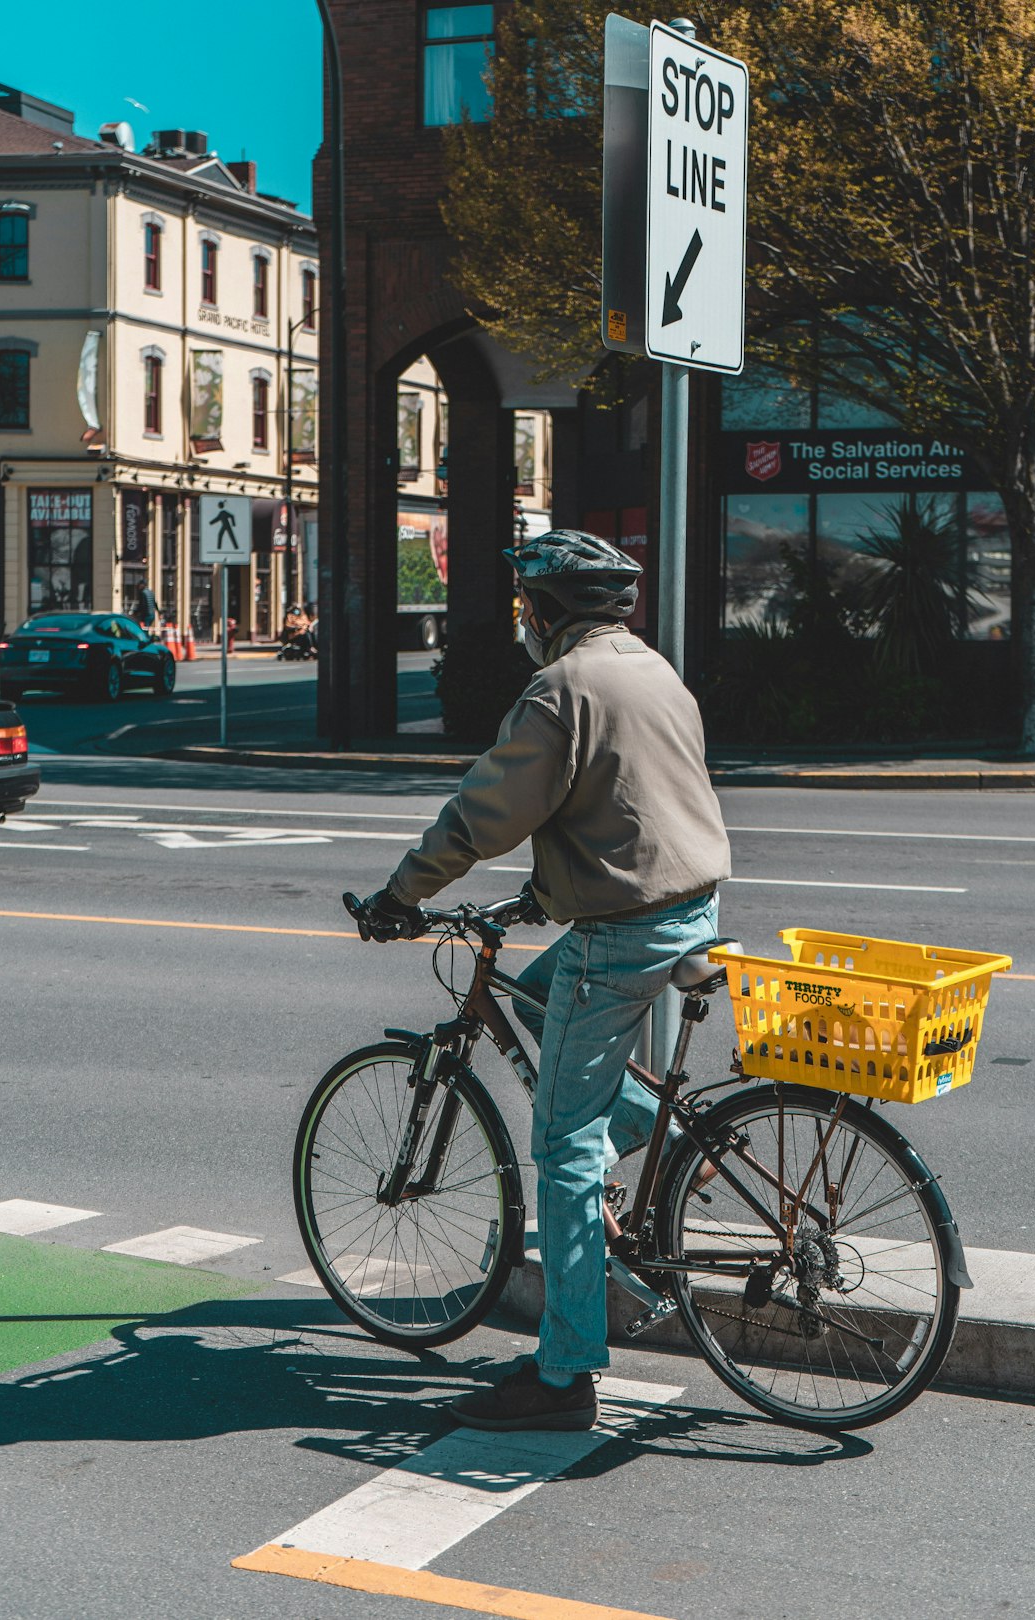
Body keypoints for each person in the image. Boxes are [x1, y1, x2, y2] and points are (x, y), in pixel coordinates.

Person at [355, 530, 731, 1432]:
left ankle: (564, 1376)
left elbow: (487, 809)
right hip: (688, 909)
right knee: (525, 997)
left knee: (560, 1147)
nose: (524, 616)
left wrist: (402, 893)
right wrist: (542, 890)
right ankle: (647, 1136)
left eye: (530, 603)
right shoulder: (650, 668)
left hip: (622, 931)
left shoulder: (561, 689)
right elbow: (621, 796)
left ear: (551, 609)